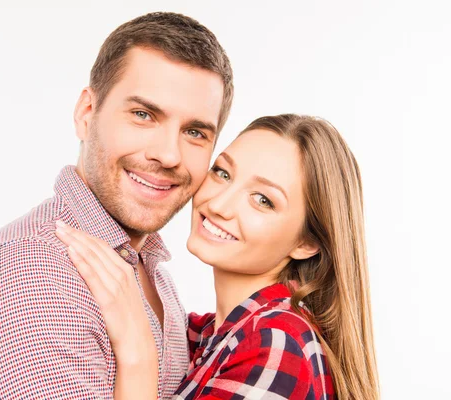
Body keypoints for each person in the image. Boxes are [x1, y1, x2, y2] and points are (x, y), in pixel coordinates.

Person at [0, 12, 233, 399]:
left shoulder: (149, 269)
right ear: (86, 114)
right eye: (143, 115)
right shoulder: (32, 273)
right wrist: (138, 359)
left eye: (195, 132)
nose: (168, 155)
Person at [56, 114, 380, 400]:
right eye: (223, 173)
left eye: (262, 200)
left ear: (307, 243)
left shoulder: (277, 344)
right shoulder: (210, 337)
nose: (219, 205)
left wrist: (138, 354)